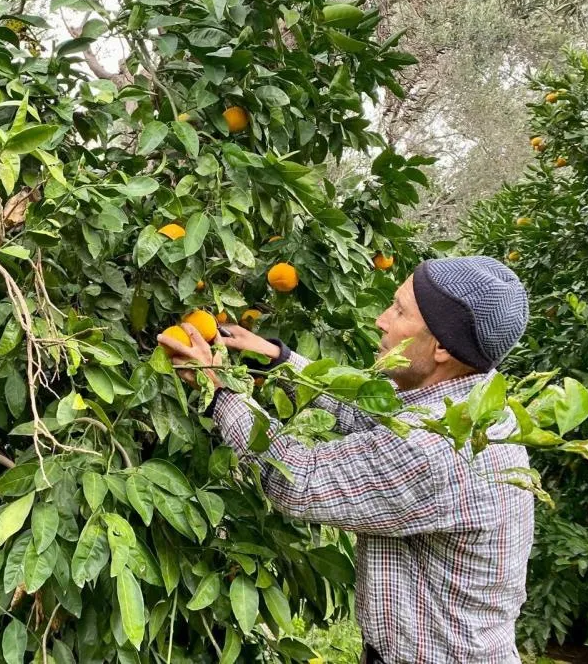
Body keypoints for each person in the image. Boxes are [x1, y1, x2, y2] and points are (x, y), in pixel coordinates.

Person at [158, 256, 534, 664]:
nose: (381, 319)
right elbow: (364, 416)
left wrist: (219, 390)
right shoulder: (470, 406)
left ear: (442, 346)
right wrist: (276, 359)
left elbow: (297, 477)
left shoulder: (438, 448)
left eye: (400, 311)